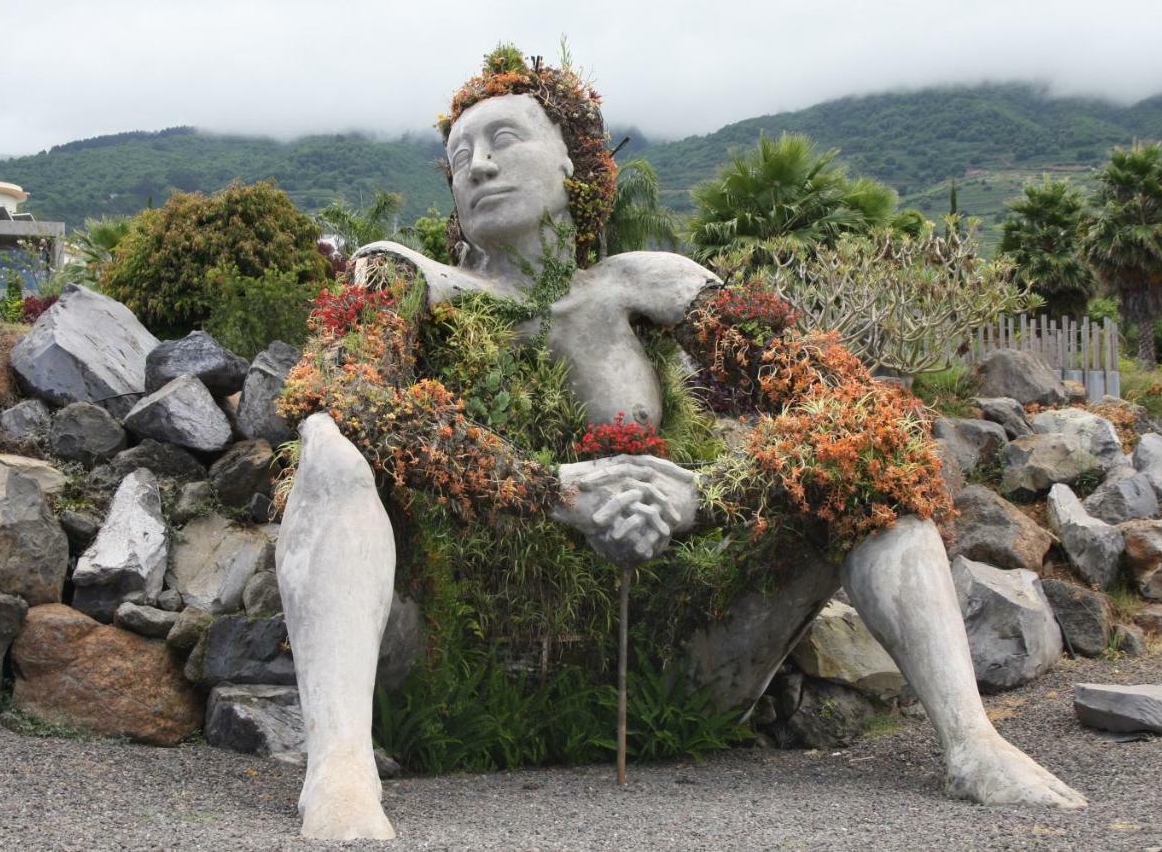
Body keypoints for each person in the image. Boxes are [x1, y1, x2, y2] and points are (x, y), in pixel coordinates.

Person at [275, 54, 1085, 843]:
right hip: (457, 650)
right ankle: (341, 762)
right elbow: (344, 395)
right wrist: (548, 489)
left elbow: (846, 401)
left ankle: (972, 741)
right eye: (458, 155)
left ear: (576, 157)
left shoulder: (647, 282)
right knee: (328, 444)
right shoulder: (397, 275)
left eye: (504, 140)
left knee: (872, 468)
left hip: (665, 647)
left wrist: (708, 495)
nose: (478, 165)